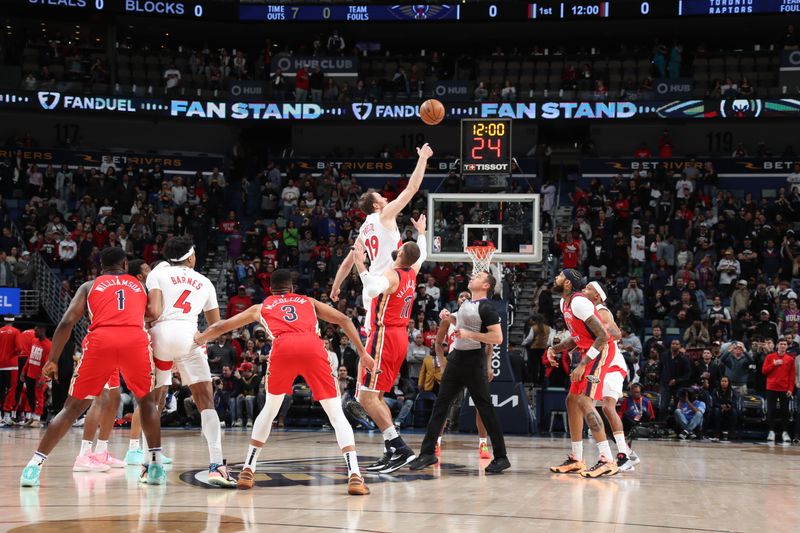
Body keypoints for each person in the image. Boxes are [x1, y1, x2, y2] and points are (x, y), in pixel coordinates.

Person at [194, 269, 376, 495]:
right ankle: (355, 476)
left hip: (282, 348)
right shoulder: (308, 301)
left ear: (271, 290)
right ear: (292, 289)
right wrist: (363, 352)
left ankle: (248, 469)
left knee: (269, 410)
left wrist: (198, 340)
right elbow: (344, 319)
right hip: (312, 345)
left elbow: (221, 327)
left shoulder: (261, 307)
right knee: (336, 414)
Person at [20, 248, 164, 487]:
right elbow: (152, 313)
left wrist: (53, 358)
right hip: (134, 340)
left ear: (100, 268)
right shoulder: (140, 285)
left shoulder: (89, 286)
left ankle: (33, 466)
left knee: (71, 408)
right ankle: (156, 465)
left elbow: (66, 322)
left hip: (101, 341)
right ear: (126, 265)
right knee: (147, 402)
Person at [146, 237, 235, 487]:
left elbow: (153, 312)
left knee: (154, 401)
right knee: (205, 400)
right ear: (191, 256)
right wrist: (202, 338)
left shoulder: (157, 274)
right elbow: (216, 325)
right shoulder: (205, 281)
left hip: (160, 335)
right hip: (189, 336)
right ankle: (217, 465)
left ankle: (150, 464)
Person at [407, 270, 509, 474]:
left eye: (478, 276)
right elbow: (461, 324)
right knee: (440, 406)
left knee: (485, 409)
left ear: (486, 286)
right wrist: (449, 318)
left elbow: (497, 338)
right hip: (456, 359)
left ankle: (501, 457)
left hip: (473, 361)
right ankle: (427, 453)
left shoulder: (488, 306)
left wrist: (470, 334)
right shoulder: (466, 304)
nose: (472, 277)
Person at [331, 143, 433, 332]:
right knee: (388, 337)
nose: (386, 199)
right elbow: (411, 189)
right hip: (387, 283)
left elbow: (347, 263)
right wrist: (423, 158)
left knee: (372, 339)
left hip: (372, 284)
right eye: (382, 198)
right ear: (377, 206)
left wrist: (336, 287)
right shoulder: (384, 215)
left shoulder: (362, 230)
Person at [351, 230, 428, 474]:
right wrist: (422, 233)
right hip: (398, 337)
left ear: (402, 253)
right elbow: (421, 255)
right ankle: (390, 451)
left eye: (402, 245)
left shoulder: (393, 275)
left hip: (384, 336)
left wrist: (360, 265)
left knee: (365, 397)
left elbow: (373, 290)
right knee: (378, 396)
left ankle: (400, 447)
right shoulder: (412, 272)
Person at [547, 269, 619, 478]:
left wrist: (582, 364)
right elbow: (577, 338)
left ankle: (607, 459)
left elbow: (603, 336)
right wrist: (554, 349)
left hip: (600, 352)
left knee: (586, 403)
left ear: (568, 283)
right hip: (588, 351)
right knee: (572, 401)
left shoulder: (579, 302)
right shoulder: (564, 303)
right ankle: (577, 459)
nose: (556, 278)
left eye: (560, 276)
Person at [584, 281, 637, 471]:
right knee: (595, 409)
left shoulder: (600, 308)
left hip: (612, 364)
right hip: (599, 365)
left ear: (597, 296)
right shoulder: (586, 312)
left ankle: (623, 457)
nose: (584, 291)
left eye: (588, 289)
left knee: (606, 406)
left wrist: (602, 334)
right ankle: (628, 453)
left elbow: (615, 332)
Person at [432, 290, 490, 459]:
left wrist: (488, 366)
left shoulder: (477, 318)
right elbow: (437, 343)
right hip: (454, 364)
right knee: (444, 405)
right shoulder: (449, 318)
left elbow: (488, 344)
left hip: (475, 364)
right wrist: (442, 365)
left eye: (467, 296)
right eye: (461, 296)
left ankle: (483, 444)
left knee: (482, 406)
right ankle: (436, 442)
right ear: (457, 301)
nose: (464, 298)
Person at [762, 339, 795, 444]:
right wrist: (774, 364)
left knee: (785, 412)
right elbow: (764, 371)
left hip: (784, 388)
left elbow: (792, 376)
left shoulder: (790, 359)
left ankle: (785, 432)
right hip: (771, 387)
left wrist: (790, 389)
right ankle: (771, 431)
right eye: (781, 344)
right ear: (777, 345)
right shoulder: (770, 357)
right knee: (771, 411)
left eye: (785, 344)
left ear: (787, 346)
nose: (783, 346)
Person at [19, 325, 50, 428]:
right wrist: (24, 371)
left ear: (43, 330)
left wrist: (43, 378)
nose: (34, 333)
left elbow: (47, 364)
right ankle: (32, 417)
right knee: (30, 396)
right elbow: (30, 357)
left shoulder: (48, 345)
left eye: (36, 331)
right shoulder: (34, 341)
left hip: (39, 376)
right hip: (30, 374)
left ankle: (37, 418)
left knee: (39, 397)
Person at [0, 316, 20, 426]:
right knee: (11, 390)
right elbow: (19, 348)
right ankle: (7, 415)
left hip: (0, 365)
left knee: (0, 390)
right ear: (13, 321)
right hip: (11, 365)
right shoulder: (16, 332)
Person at [711, 376, 739, 441]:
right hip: (719, 408)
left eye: (725, 381)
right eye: (722, 381)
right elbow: (714, 402)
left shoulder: (732, 391)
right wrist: (721, 406)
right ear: (720, 382)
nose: (723, 383)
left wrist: (729, 406)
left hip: (729, 410)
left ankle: (731, 432)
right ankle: (717, 432)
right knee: (717, 411)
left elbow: (735, 403)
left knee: (734, 411)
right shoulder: (715, 391)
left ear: (728, 383)